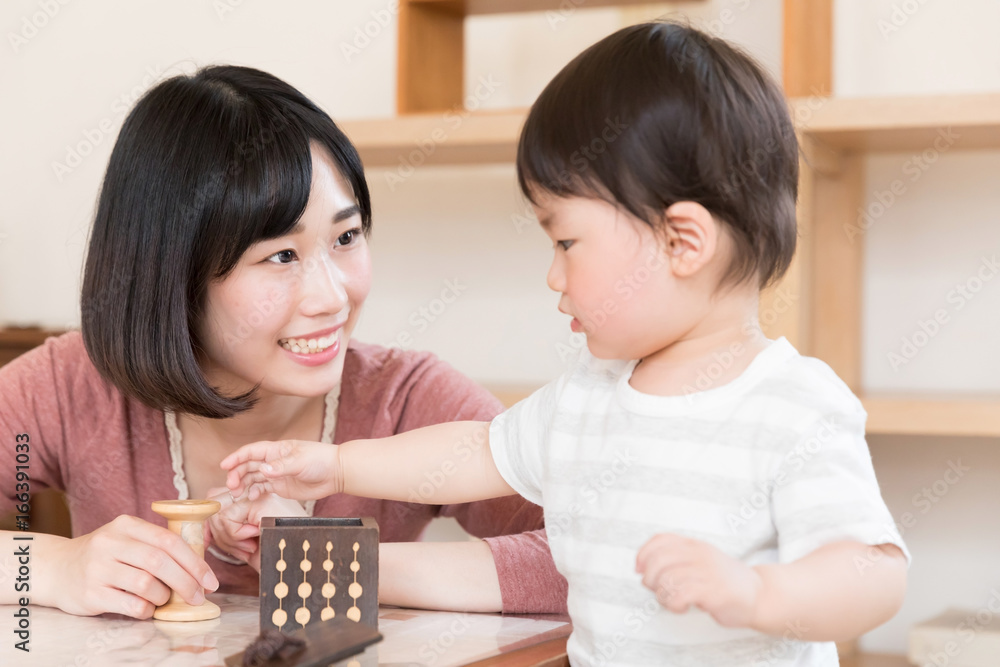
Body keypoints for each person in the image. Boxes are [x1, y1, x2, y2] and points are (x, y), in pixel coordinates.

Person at [220, 22, 910, 666]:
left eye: (566, 241)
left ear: (682, 241)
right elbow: (474, 452)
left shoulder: (792, 405)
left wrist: (760, 592)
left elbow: (874, 571)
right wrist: (338, 468)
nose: (553, 274)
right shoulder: (588, 394)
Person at [0, 65, 567, 619]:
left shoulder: (407, 400)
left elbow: (599, 552)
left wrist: (336, 565)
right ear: (173, 275)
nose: (331, 296)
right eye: (281, 256)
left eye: (346, 236)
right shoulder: (70, 385)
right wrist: (50, 567)